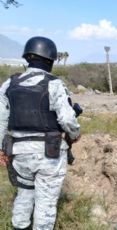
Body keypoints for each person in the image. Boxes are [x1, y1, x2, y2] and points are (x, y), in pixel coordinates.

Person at [0, 36, 80, 230]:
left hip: (18, 152)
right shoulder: (54, 84)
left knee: (24, 194)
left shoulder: (9, 84)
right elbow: (68, 120)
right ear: (50, 60)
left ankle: (19, 227)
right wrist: (75, 134)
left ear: (28, 57)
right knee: (45, 203)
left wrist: (1, 149)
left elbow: (1, 120)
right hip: (48, 155)